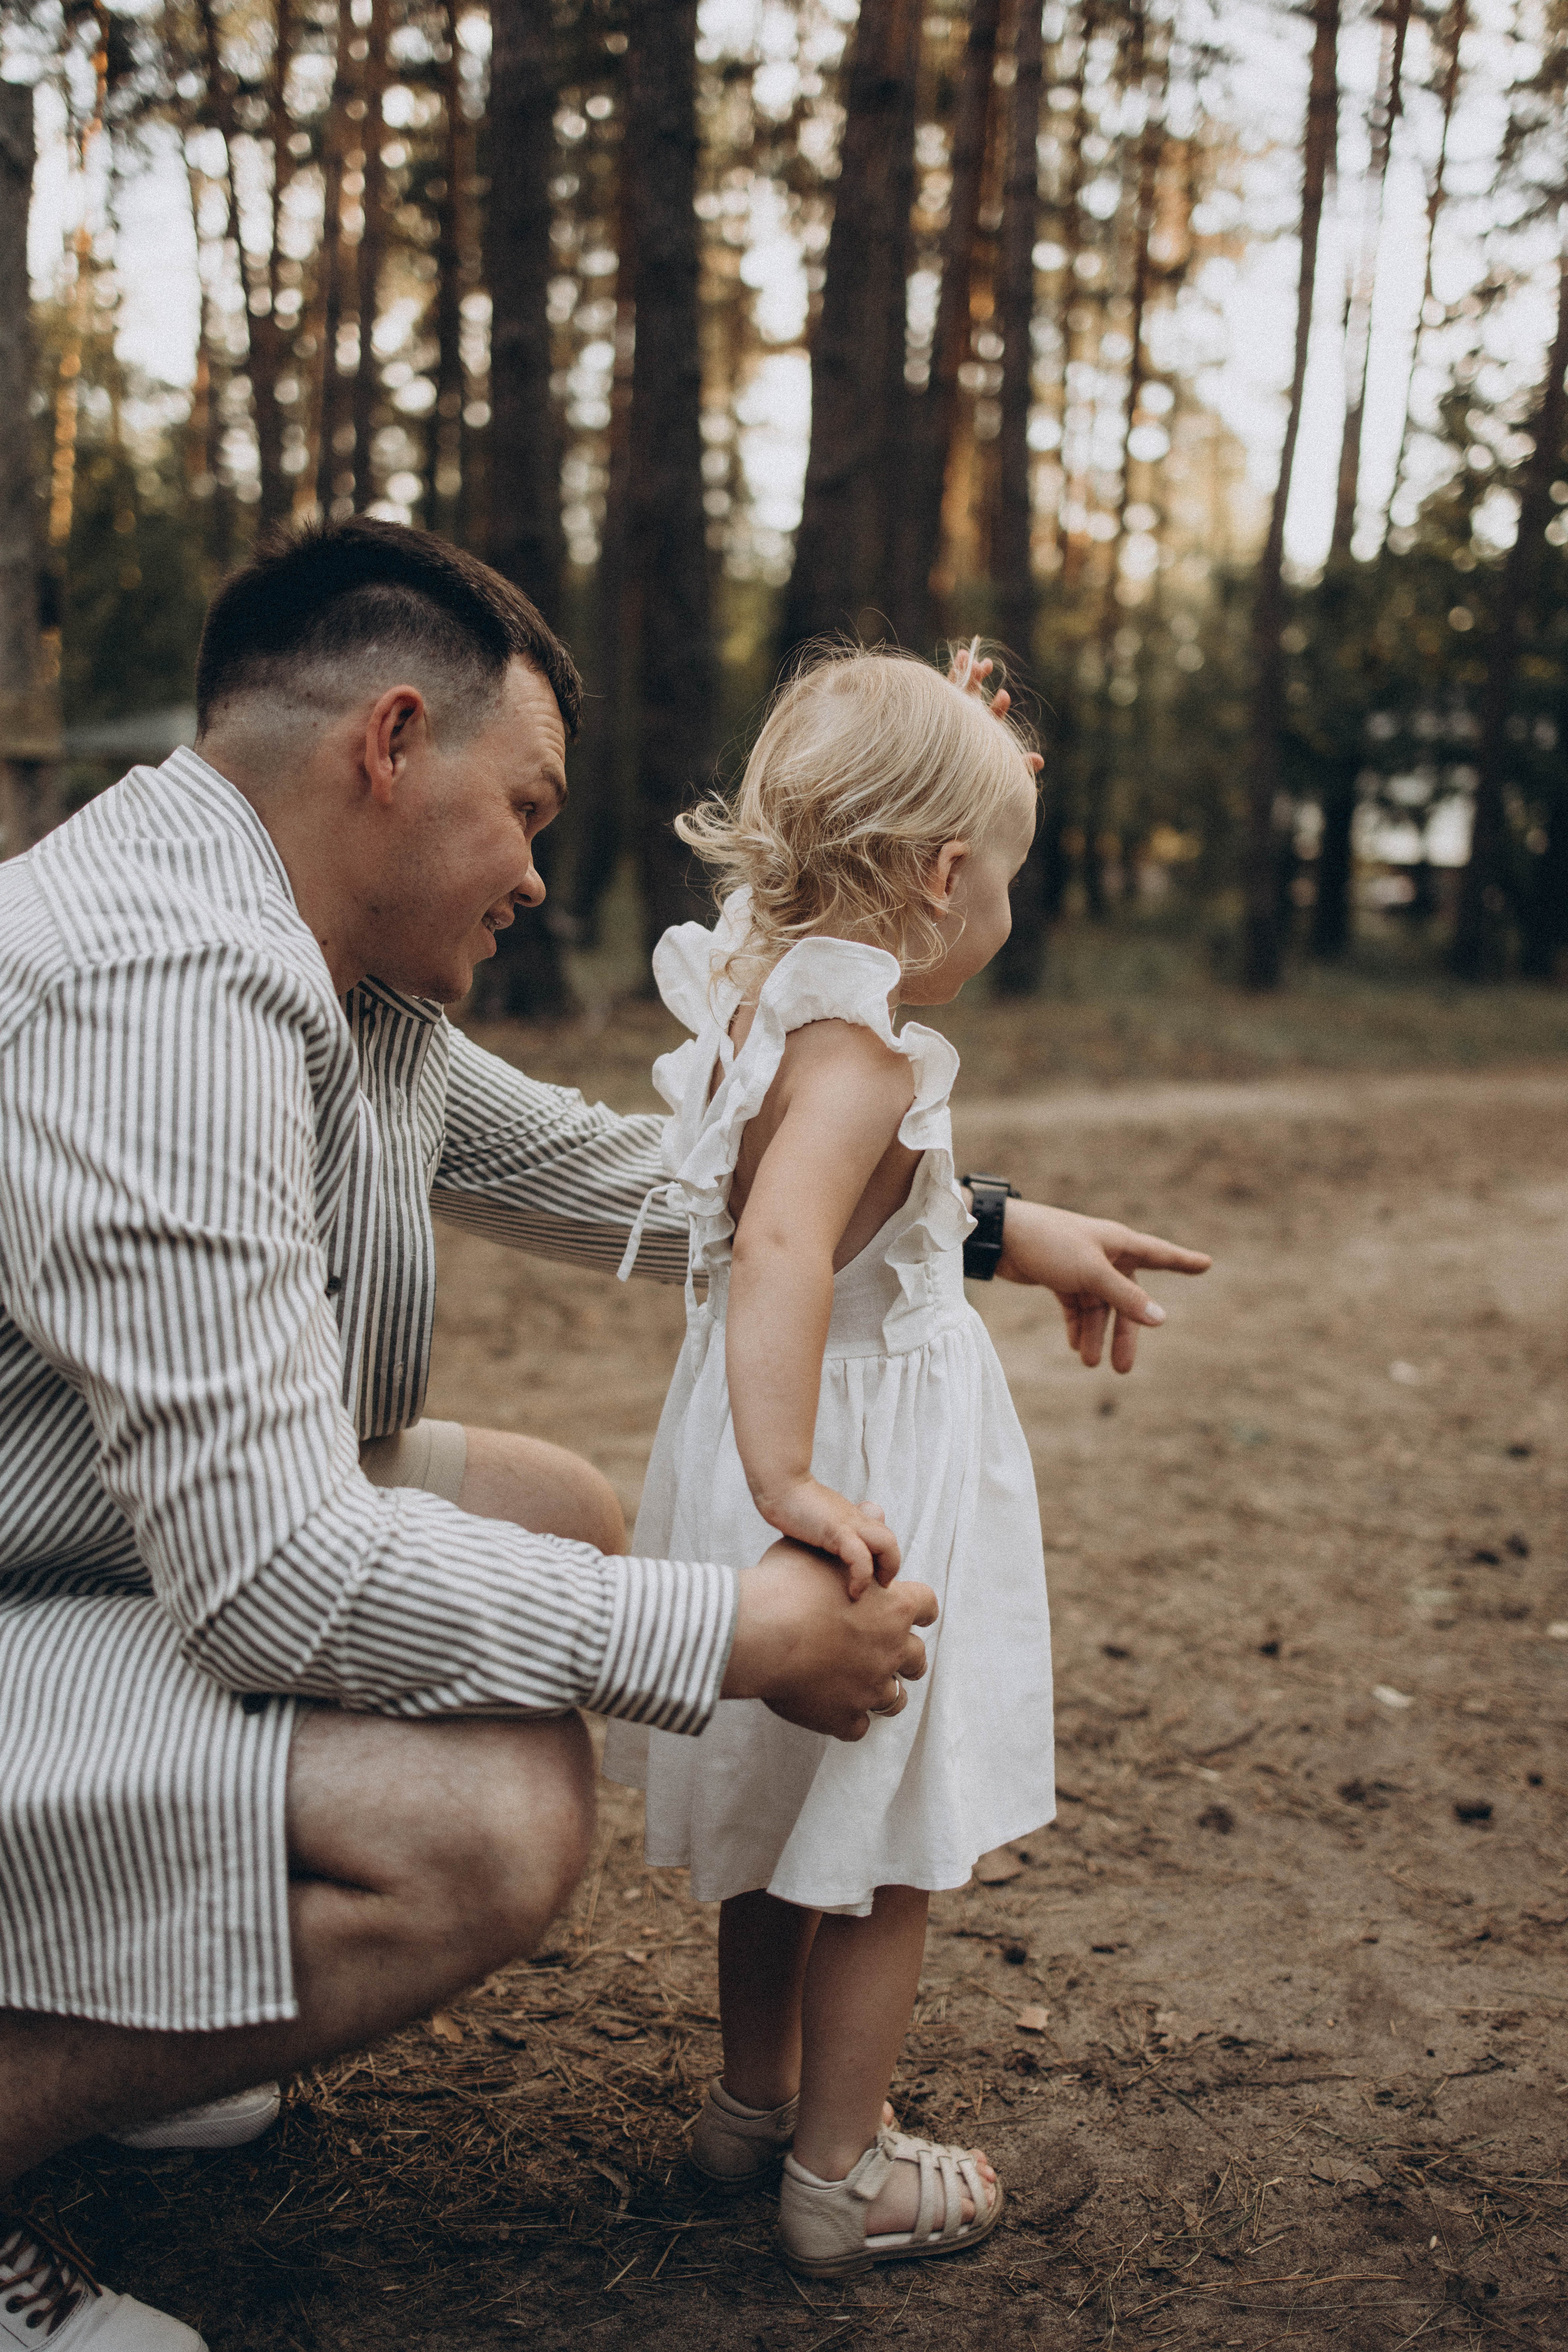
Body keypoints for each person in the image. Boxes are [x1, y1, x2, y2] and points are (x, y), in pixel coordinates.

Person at [0, 524, 1204, 2345]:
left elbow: (672, 1182)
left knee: (561, 1511)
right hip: (59, 1583)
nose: (543, 878)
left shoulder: (322, 962)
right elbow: (273, 1582)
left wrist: (984, 1222)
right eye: (528, 809)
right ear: (389, 745)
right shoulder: (153, 987)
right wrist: (739, 1639)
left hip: (56, 1540)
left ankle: (129, 2025)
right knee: (487, 1823)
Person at [605, 646, 1183, 2278]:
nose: (1003, 900)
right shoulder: (863, 1055)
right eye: (1000, 869)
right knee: (882, 1836)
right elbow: (793, 1240)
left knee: (790, 1814)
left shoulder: (757, 995)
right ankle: (841, 2176)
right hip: (860, 1452)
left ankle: (752, 2105)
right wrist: (793, 1478)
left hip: (767, 1426)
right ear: (944, 877)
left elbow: (846, 1227)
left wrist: (1030, 1242)